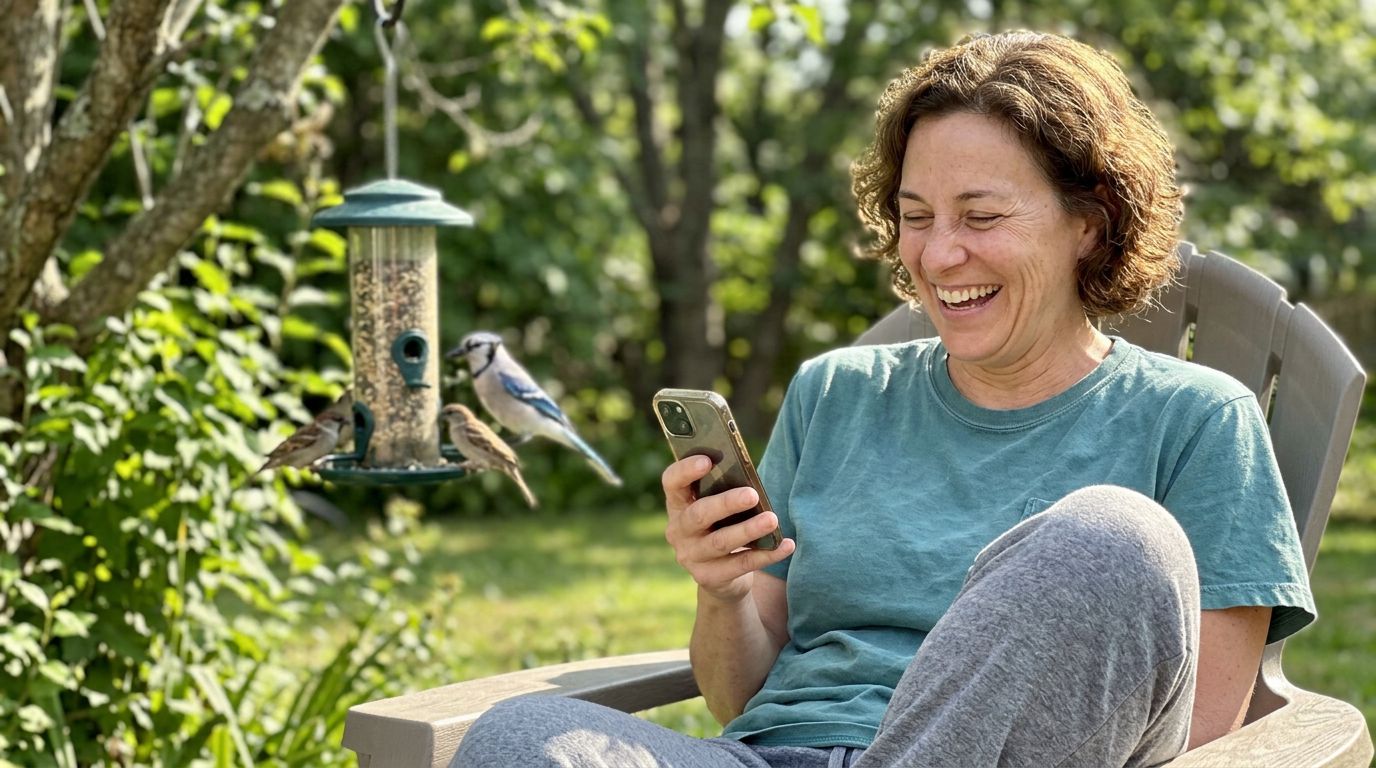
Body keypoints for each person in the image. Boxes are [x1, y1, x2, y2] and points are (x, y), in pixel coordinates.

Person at [451, 30, 1314, 768]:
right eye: (916, 216)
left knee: (1116, 541)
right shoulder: (836, 393)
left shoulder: (1199, 421)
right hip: (767, 754)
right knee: (523, 735)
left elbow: (1203, 736)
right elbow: (738, 697)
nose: (939, 257)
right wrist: (721, 592)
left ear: (1087, 222)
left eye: (980, 217)